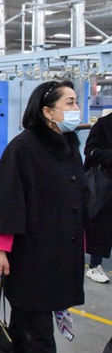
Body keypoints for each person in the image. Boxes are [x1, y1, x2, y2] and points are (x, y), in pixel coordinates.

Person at [0, 80, 85, 353]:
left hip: (61, 252)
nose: (76, 108)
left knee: (29, 325)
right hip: (28, 258)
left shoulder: (69, 146)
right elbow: (7, 200)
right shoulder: (23, 149)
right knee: (41, 336)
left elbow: (75, 195)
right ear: (47, 110)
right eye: (70, 102)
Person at [83, 113, 112, 283]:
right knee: (101, 224)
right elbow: (90, 151)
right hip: (106, 182)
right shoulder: (103, 125)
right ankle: (95, 265)